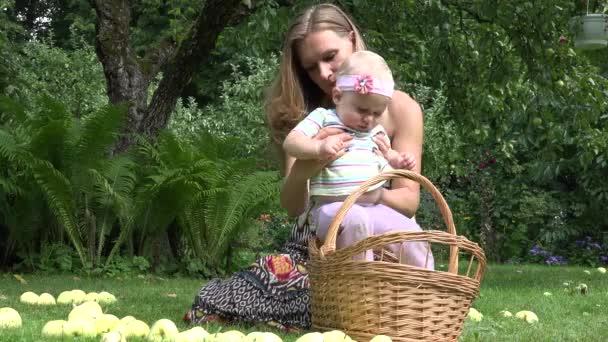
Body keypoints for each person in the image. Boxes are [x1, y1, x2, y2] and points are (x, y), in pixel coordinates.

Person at [186, 3, 433, 331]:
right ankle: (351, 311)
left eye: (330, 56)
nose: (324, 73)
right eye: (311, 68)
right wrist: (310, 163)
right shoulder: (310, 117)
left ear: (352, 38)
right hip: (317, 243)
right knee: (248, 294)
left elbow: (407, 199)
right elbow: (293, 206)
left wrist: (367, 198)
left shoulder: (401, 108)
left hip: (385, 235)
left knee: (389, 288)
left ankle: (389, 304)